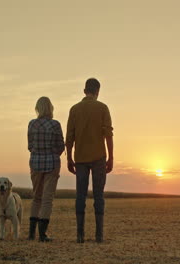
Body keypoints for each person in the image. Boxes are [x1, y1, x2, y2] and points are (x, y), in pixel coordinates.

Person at [66, 78, 114, 243]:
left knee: (80, 195)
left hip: (80, 159)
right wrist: (111, 157)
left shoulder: (74, 109)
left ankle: (80, 235)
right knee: (98, 195)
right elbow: (108, 134)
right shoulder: (102, 108)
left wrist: (69, 158)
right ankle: (99, 235)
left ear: (84, 90)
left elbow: (69, 137)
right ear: (98, 91)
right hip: (99, 157)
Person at [27, 97, 65, 242]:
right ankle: (42, 234)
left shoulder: (31, 124)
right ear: (51, 108)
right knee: (47, 199)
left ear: (37, 108)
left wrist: (38, 152)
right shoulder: (55, 124)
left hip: (35, 163)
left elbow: (30, 146)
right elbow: (61, 145)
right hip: (51, 163)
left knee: (36, 197)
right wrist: (52, 153)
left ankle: (31, 234)